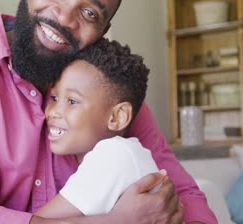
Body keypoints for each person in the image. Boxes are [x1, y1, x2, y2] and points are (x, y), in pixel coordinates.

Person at [0, 0, 217, 223]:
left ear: (103, 31)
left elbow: (186, 195)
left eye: (90, 13)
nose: (65, 18)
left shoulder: (105, 89)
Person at [34, 38, 160, 218]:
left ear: (117, 116)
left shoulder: (114, 155)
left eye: (72, 101)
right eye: (54, 98)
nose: (54, 112)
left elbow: (39, 222)